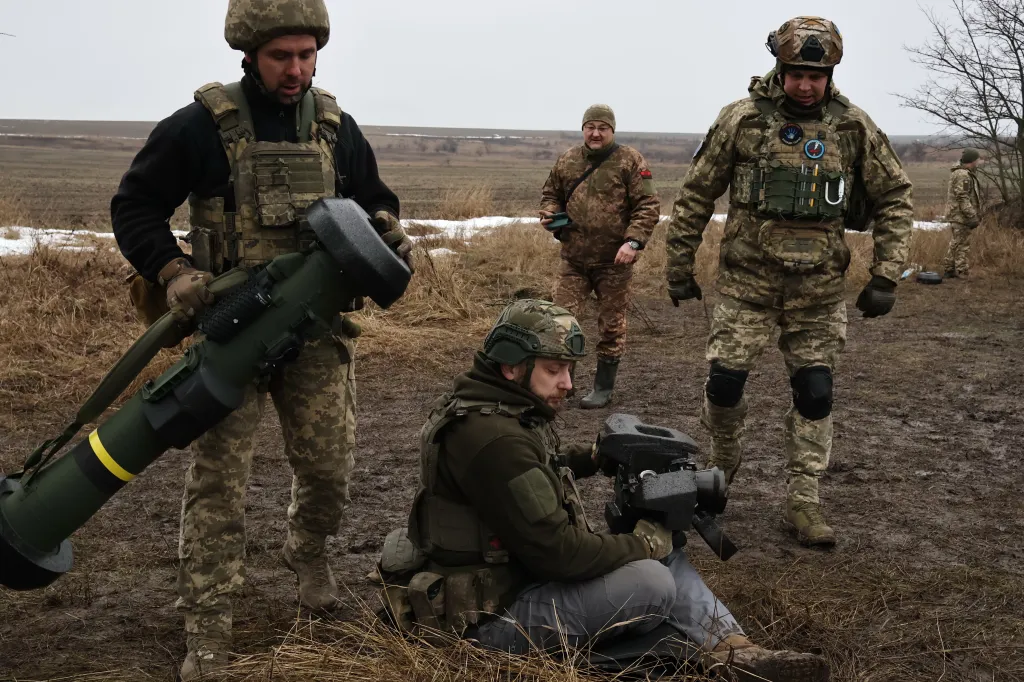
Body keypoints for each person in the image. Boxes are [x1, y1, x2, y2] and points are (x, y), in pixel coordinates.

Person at [109, 0, 413, 678]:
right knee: (219, 484)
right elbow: (133, 206)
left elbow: (374, 199)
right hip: (229, 332)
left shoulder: (337, 129)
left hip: (314, 331)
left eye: (307, 56)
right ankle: (208, 626)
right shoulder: (199, 128)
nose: (297, 70)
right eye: (283, 56)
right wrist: (173, 269)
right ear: (250, 53)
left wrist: (388, 227)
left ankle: (307, 553)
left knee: (330, 469)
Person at [379, 299, 830, 682]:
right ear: (512, 365)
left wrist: (591, 459)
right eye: (554, 370)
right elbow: (559, 554)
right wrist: (640, 543)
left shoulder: (488, 406)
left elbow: (530, 472)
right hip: (487, 620)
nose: (568, 385)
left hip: (511, 583)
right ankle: (722, 654)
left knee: (661, 549)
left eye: (570, 370)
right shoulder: (495, 441)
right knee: (652, 577)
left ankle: (735, 650)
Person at [665, 16, 913, 548]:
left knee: (816, 392)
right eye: (797, 72)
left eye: (816, 75)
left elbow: (894, 197)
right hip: (746, 287)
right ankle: (720, 472)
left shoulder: (853, 128)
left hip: (819, 293)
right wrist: (679, 266)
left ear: (831, 74)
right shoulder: (742, 120)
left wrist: (886, 274)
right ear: (780, 67)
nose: (806, 84)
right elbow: (695, 195)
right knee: (724, 385)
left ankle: (803, 501)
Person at [539, 105, 661, 409]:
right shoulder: (568, 160)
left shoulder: (630, 160)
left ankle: (603, 388)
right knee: (562, 322)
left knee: (611, 325)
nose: (595, 133)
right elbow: (550, 194)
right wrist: (550, 214)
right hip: (574, 260)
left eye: (602, 128)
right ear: (583, 129)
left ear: (612, 131)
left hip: (614, 262)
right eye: (590, 127)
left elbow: (648, 205)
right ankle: (562, 383)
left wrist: (633, 242)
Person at [942, 148, 983, 279]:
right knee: (962, 244)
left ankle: (949, 269)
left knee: (957, 242)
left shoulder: (961, 173)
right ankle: (961, 270)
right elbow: (963, 197)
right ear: (972, 161)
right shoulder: (963, 175)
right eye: (977, 159)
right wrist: (971, 215)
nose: (979, 162)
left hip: (958, 215)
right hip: (960, 216)